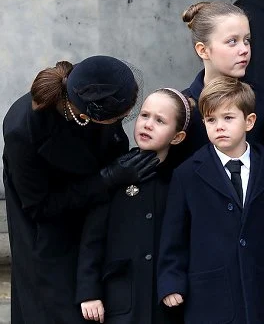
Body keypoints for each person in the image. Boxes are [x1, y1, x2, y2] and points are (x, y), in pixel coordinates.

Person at [2, 56, 158, 324]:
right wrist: (107, 179)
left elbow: (109, 146)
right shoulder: (24, 132)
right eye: (122, 117)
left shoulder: (96, 93)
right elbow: (40, 206)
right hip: (47, 238)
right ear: (88, 115)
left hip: (93, 224)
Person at [157, 76, 264, 324]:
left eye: (228, 118)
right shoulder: (187, 174)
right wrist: (171, 281)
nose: (219, 126)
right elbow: (174, 235)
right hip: (209, 296)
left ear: (249, 121)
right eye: (210, 120)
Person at [76, 88, 194, 324]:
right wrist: (89, 292)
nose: (148, 124)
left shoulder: (181, 181)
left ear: (177, 136)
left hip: (167, 305)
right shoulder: (115, 174)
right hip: (121, 302)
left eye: (160, 121)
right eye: (144, 115)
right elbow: (92, 239)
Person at [167, 1, 264, 167]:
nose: (244, 49)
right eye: (232, 41)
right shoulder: (182, 109)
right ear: (203, 50)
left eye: (247, 40)